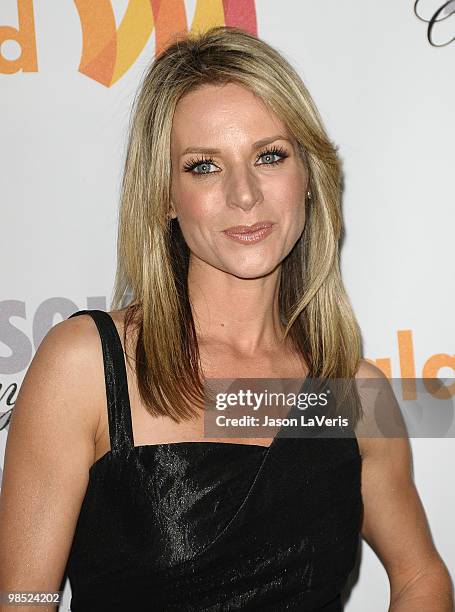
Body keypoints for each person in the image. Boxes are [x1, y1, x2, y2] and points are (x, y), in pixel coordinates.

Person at [0, 26, 452, 612]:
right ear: (164, 194)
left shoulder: (353, 396)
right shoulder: (86, 366)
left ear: (309, 177)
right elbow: (21, 600)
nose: (244, 194)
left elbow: (421, 577)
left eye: (269, 156)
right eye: (204, 166)